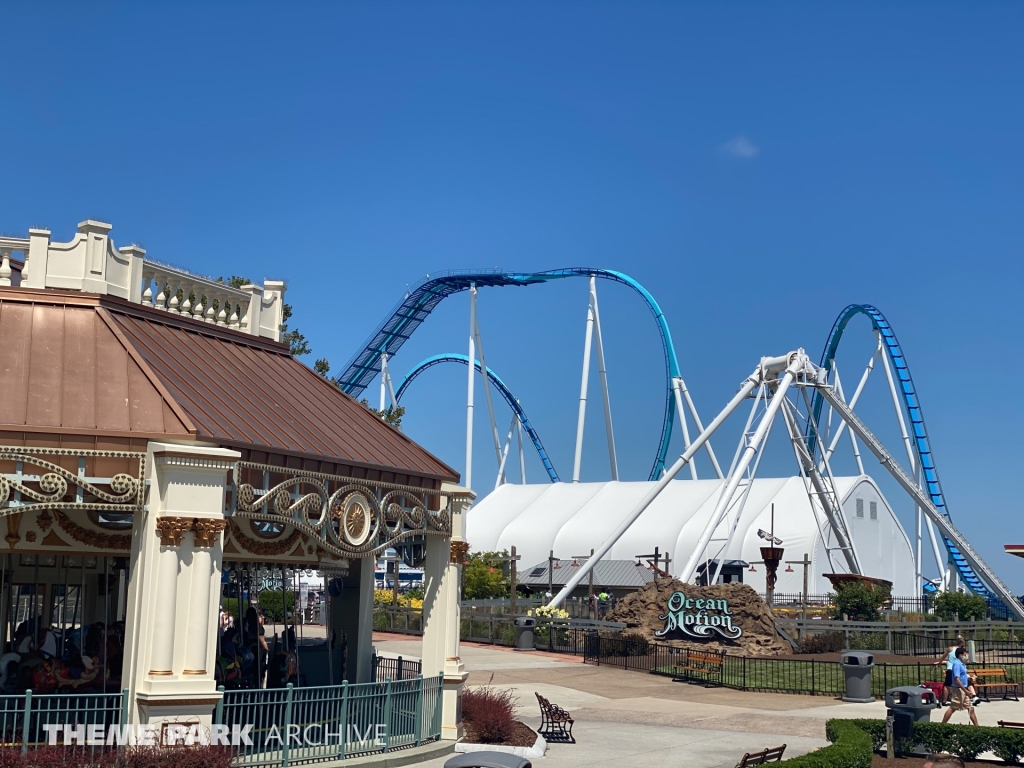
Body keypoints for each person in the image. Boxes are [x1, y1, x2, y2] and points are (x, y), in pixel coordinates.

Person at [941, 647, 979, 726]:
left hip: (964, 689)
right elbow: (957, 679)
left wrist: (969, 678)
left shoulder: (962, 664)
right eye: (965, 654)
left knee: (971, 708)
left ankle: (977, 727)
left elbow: (963, 675)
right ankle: (942, 725)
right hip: (958, 690)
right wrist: (966, 691)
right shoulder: (957, 664)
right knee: (953, 708)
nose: (966, 656)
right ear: (961, 655)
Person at [933, 637, 964, 705]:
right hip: (958, 669)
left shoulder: (950, 649)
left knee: (947, 685)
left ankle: (944, 700)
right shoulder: (961, 651)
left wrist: (940, 662)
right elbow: (964, 660)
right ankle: (960, 699)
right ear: (961, 643)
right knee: (959, 684)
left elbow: (943, 656)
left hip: (950, 669)